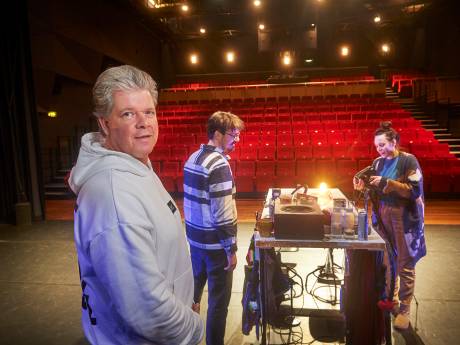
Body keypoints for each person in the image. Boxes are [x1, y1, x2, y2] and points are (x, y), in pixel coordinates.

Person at [69, 65, 204, 345]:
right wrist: (192, 327)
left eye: (149, 112)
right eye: (128, 114)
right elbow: (148, 310)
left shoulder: (134, 167)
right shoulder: (114, 194)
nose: (144, 122)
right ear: (105, 124)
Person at [353, 121, 426, 330]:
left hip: (404, 219)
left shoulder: (408, 161)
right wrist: (361, 182)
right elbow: (369, 181)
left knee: (405, 262)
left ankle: (404, 308)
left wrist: (387, 183)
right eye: (377, 146)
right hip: (382, 217)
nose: (380, 149)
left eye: (383, 145)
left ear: (394, 142)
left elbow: (414, 191)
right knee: (387, 260)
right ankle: (390, 296)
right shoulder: (377, 162)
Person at [183, 111, 244, 345]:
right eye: (233, 134)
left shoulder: (193, 157)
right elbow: (222, 214)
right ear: (217, 134)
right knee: (219, 304)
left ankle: (187, 336)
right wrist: (231, 249)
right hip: (215, 247)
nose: (237, 139)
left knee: (192, 295)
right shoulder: (219, 165)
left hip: (195, 242)